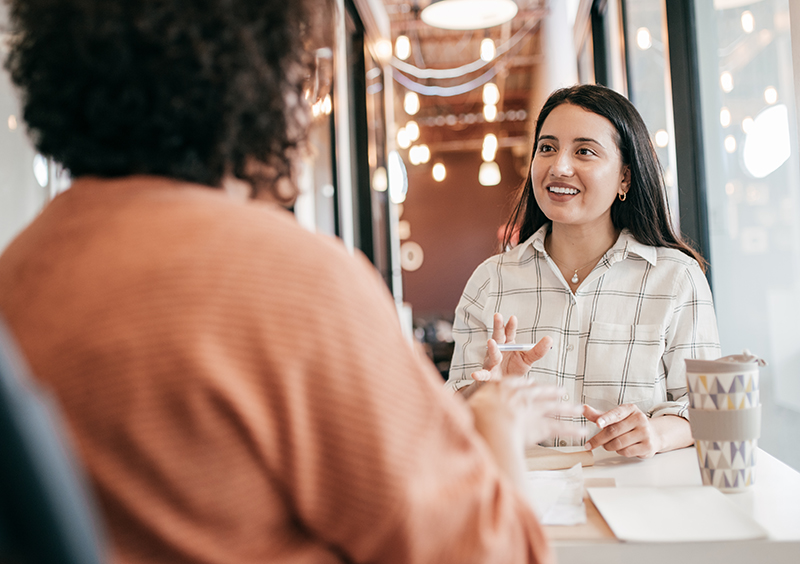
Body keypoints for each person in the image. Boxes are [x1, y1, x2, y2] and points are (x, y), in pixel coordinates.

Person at [0, 1, 583, 563]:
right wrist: (498, 421)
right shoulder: (291, 280)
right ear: (251, 80)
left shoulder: (16, 277)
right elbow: (493, 555)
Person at [447, 84, 721, 459]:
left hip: (636, 503)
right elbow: (454, 412)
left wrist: (654, 434)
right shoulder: (490, 281)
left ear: (625, 177)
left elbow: (709, 409)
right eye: (547, 148)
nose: (559, 166)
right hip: (526, 501)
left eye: (584, 151)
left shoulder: (676, 279)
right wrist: (489, 396)